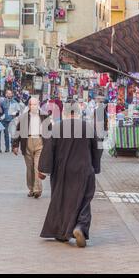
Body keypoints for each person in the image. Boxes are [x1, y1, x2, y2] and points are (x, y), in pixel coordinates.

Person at [38, 105, 103, 247]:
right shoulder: (88, 127)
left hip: (62, 172)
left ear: (65, 114)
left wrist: (43, 170)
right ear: (79, 114)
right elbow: (98, 147)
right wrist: (95, 167)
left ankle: (63, 232)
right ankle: (80, 226)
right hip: (84, 170)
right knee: (84, 200)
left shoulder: (57, 128)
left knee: (62, 201)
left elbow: (49, 149)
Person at [12, 97, 47, 198]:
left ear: (38, 104)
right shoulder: (23, 117)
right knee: (30, 168)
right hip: (27, 142)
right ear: (29, 106)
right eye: (31, 105)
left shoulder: (44, 116)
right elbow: (18, 131)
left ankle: (37, 189)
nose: (33, 106)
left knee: (37, 167)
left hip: (40, 142)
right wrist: (15, 145)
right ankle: (31, 188)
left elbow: (50, 131)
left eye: (35, 104)